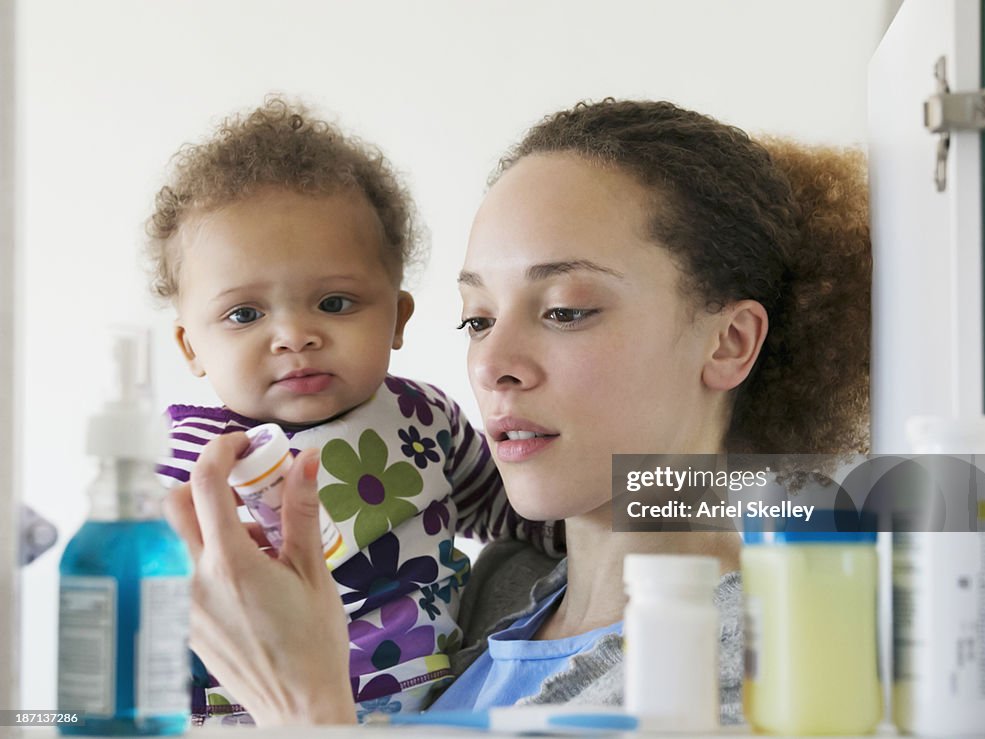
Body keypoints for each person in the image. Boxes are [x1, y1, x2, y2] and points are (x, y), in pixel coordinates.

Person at [164, 98, 870, 726]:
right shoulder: (499, 582)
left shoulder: (755, 670)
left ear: (729, 341)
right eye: (476, 319)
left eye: (563, 310)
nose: (491, 363)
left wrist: (304, 711)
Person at [145, 97, 562, 724]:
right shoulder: (194, 460)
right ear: (191, 347)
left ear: (397, 319)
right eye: (244, 314)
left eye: (335, 303)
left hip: (433, 704)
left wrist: (658, 519)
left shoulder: (427, 420)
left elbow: (517, 510)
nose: (294, 335)